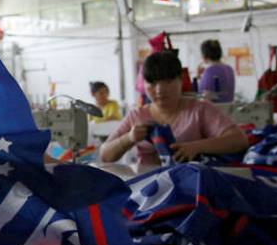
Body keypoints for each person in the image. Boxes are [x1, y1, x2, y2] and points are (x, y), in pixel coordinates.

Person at [100, 52, 249, 166]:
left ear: (180, 80)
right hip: (149, 191)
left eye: (167, 81)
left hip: (190, 190)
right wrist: (129, 138)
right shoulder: (137, 116)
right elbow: (105, 155)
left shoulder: (199, 111)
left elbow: (239, 140)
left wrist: (197, 147)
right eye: (152, 83)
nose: (159, 90)